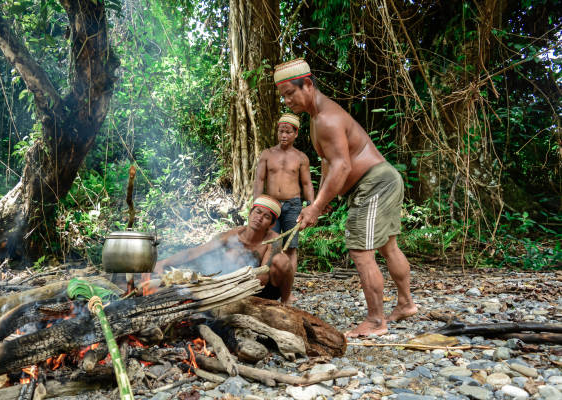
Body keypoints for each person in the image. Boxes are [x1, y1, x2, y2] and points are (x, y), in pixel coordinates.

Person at [274, 58, 417, 336]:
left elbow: (343, 166)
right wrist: (321, 202)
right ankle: (406, 304)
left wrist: (316, 207)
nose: (287, 101)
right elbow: (329, 164)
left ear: (307, 84)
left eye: (290, 94)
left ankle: (376, 321)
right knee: (388, 246)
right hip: (381, 181)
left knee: (361, 251)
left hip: (374, 183)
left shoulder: (326, 118)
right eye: (284, 97)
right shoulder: (317, 118)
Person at [153, 195, 294, 304]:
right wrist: (164, 262)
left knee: (282, 260)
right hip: (230, 285)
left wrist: (230, 290)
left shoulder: (274, 239)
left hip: (263, 290)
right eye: (257, 212)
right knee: (214, 258)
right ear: (250, 213)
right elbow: (195, 252)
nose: (259, 218)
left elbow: (262, 278)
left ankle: (286, 299)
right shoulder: (230, 236)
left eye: (266, 217)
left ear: (271, 224)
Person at [253, 112, 315, 281]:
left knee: (290, 248)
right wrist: (255, 206)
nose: (284, 135)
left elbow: (307, 184)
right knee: (268, 245)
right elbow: (259, 180)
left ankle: (287, 288)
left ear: (295, 134)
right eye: (281, 131)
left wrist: (311, 206)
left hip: (293, 206)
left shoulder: (301, 157)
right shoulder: (267, 154)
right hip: (270, 207)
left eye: (288, 132)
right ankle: (266, 284)